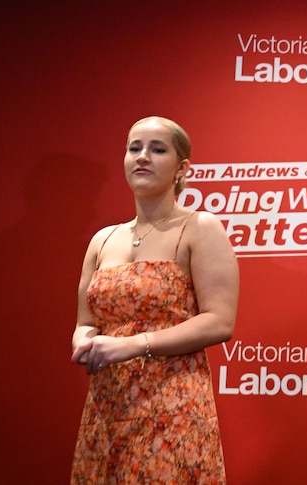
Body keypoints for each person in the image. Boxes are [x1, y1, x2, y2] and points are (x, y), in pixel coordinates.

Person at [70, 116, 240, 483]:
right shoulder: (102, 240)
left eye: (157, 149)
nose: (142, 157)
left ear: (182, 168)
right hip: (108, 404)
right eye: (135, 148)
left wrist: (133, 345)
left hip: (172, 406)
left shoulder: (200, 228)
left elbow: (219, 321)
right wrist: (83, 342)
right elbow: (86, 321)